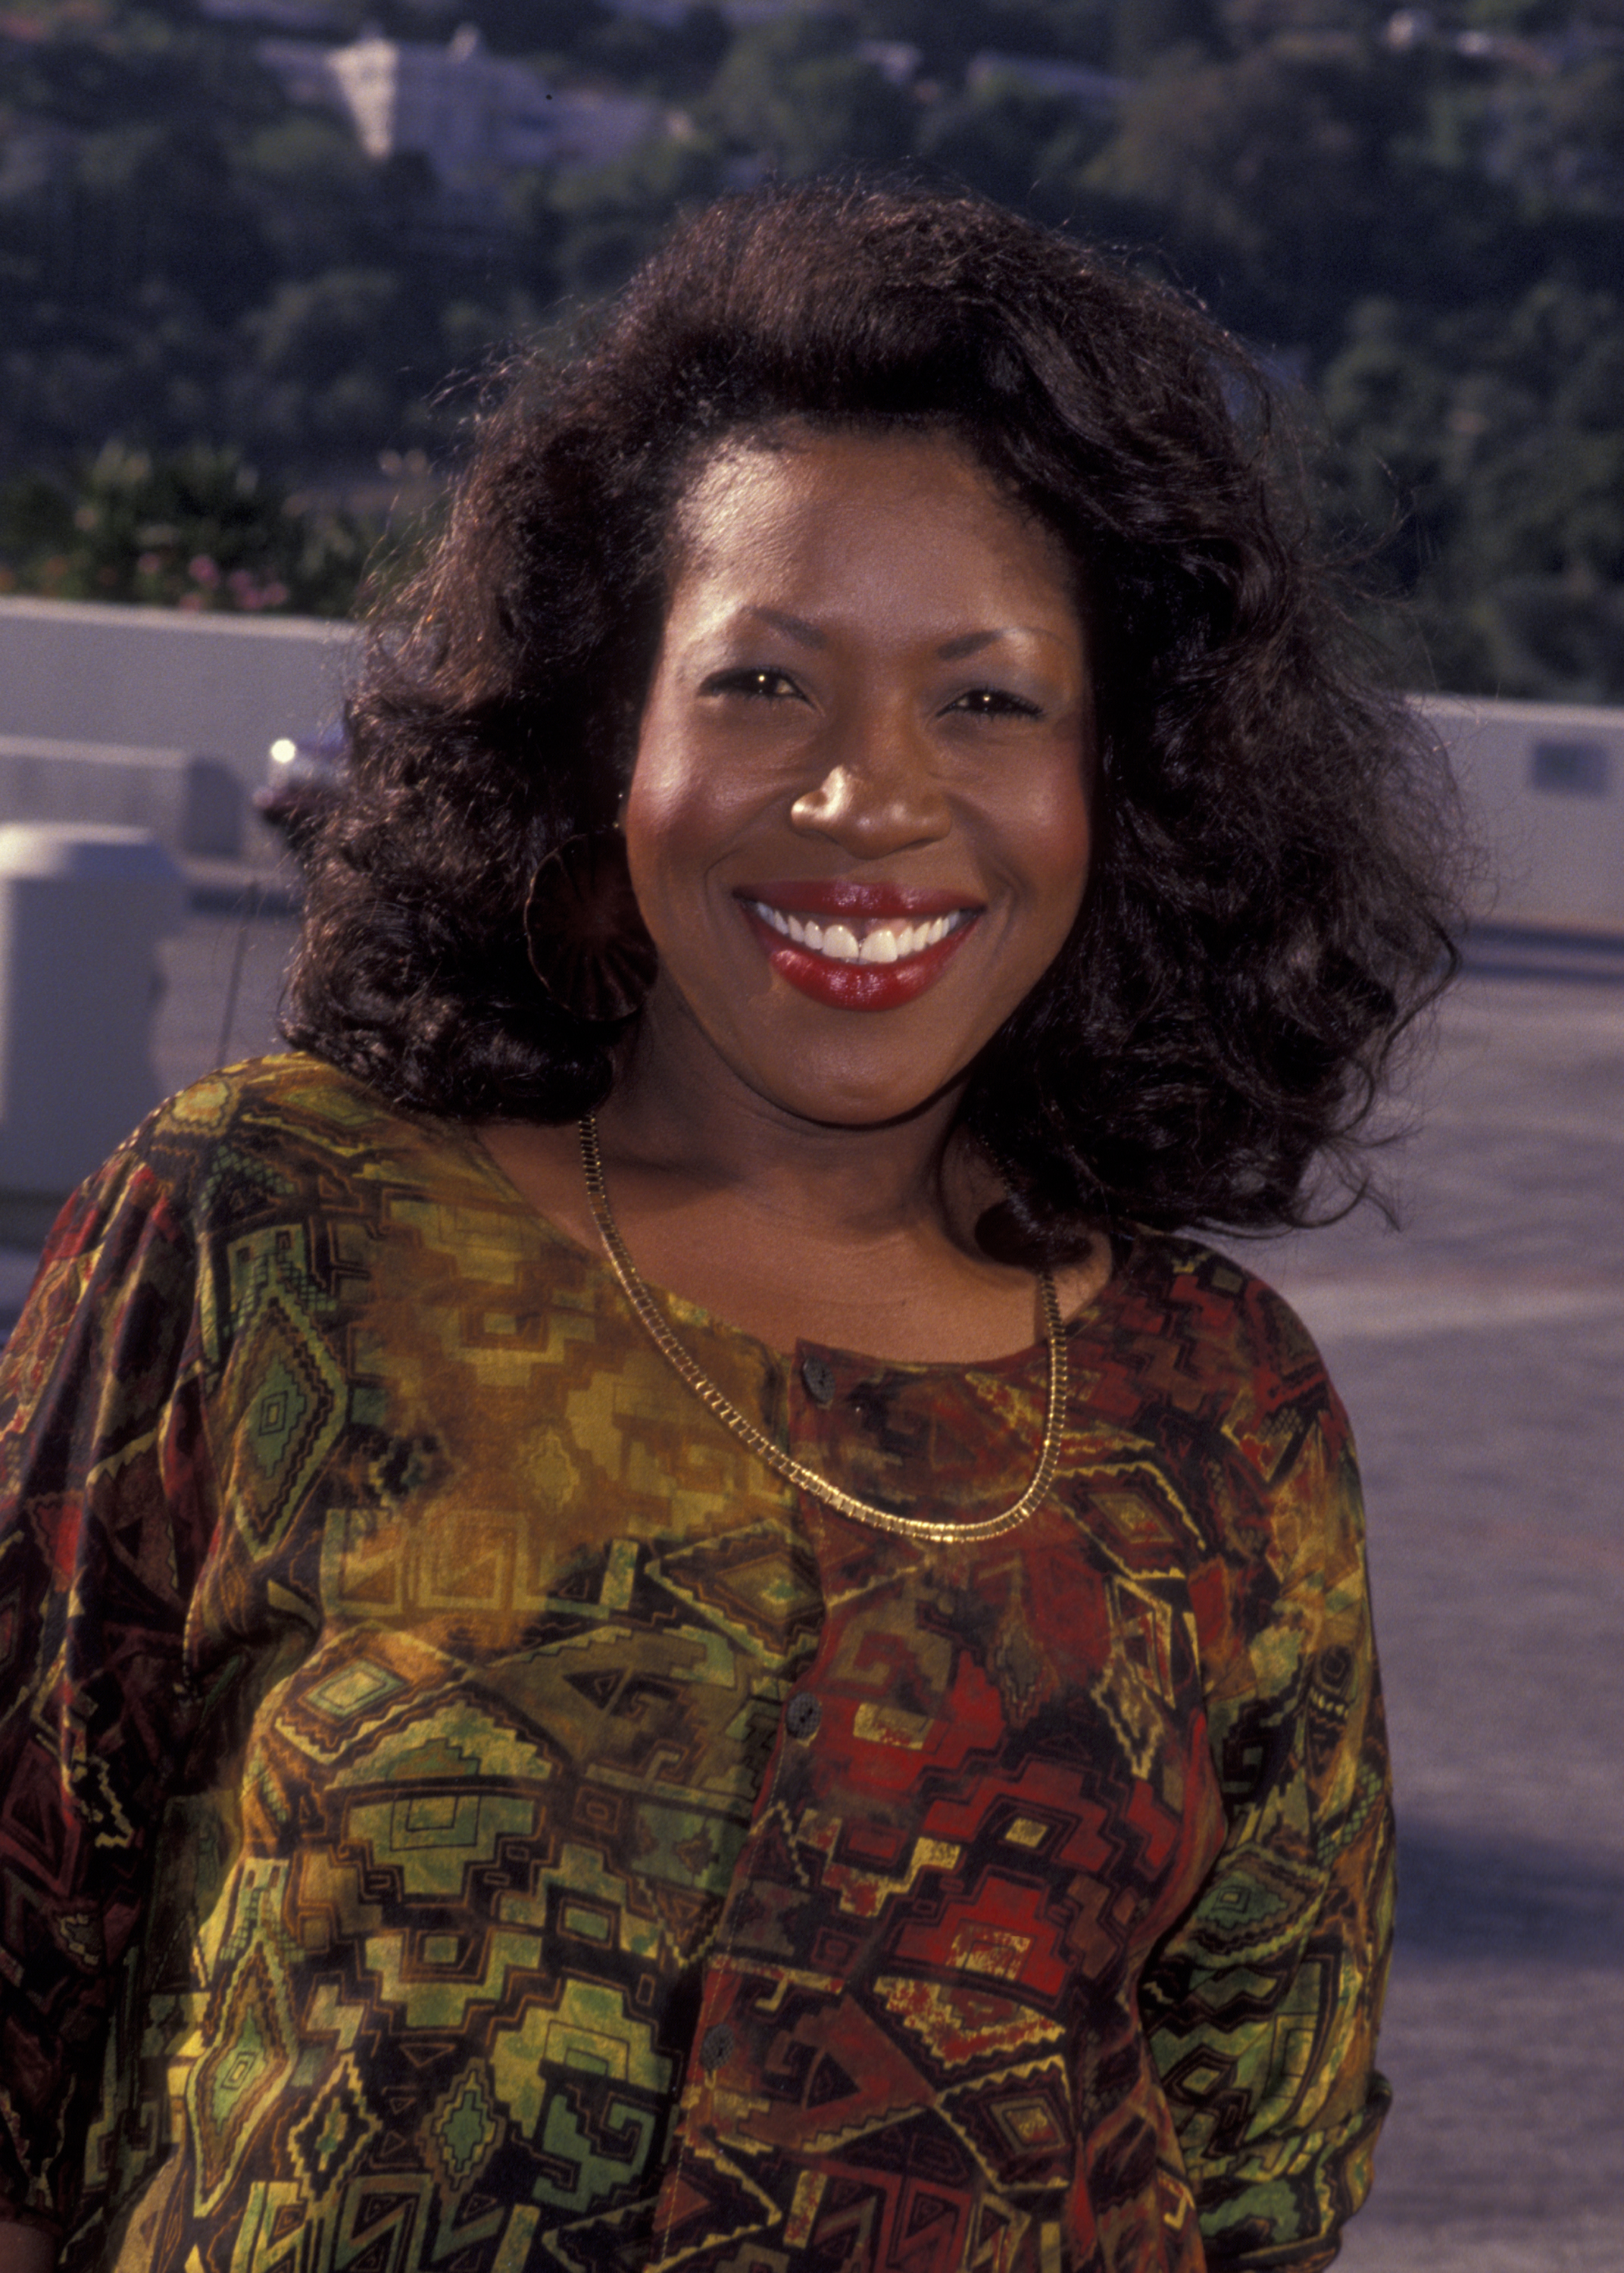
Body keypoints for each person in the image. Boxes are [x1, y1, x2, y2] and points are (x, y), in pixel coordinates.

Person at [0, 183, 1460, 2273]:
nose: (868, 797)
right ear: (607, 744)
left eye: (986, 700)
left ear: (1124, 791)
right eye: (764, 680)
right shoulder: (274, 1235)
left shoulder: (1217, 1416)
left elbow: (1260, 2161)